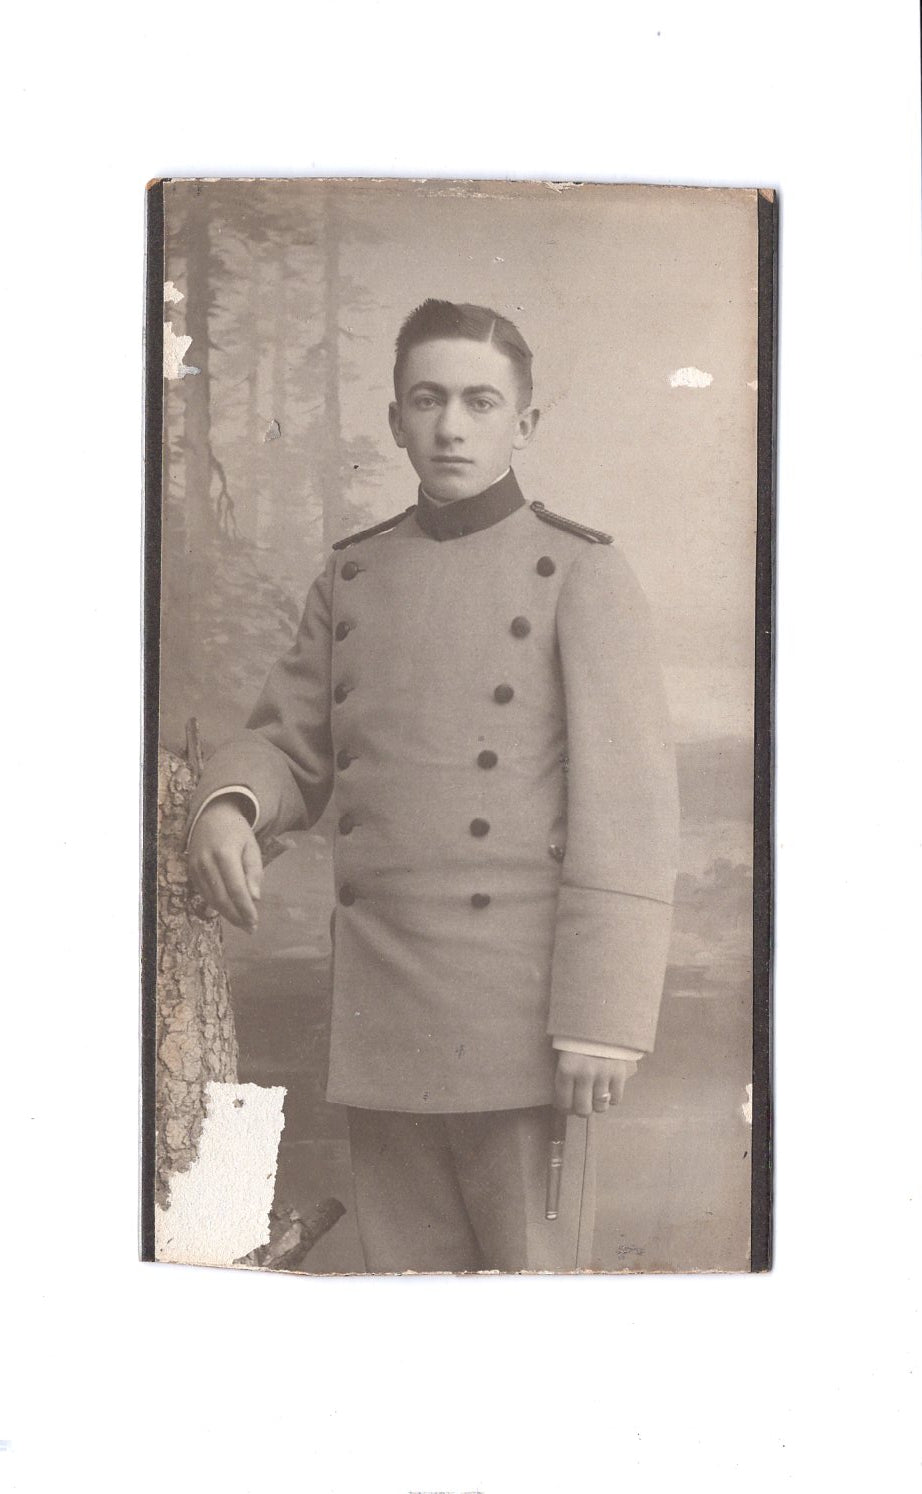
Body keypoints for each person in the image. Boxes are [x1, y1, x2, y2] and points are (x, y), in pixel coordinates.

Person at [186, 299, 679, 1272]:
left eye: (479, 402)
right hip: (385, 1019)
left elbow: (630, 813)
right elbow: (286, 742)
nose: (451, 426)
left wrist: (604, 1022)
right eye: (427, 400)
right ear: (395, 419)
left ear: (522, 424)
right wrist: (230, 803)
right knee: (405, 1308)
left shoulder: (580, 572)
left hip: (527, 1028)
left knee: (527, 1314)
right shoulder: (355, 574)